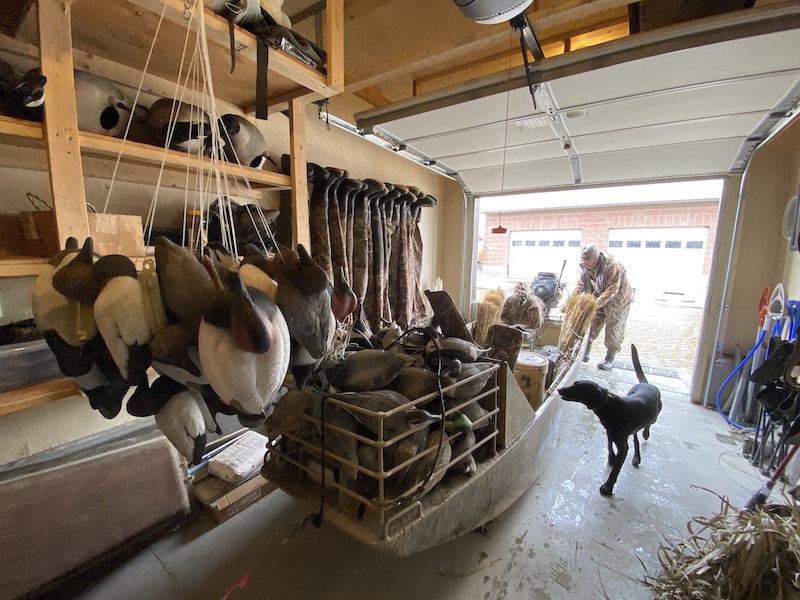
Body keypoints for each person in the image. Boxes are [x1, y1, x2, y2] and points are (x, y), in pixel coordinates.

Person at [574, 244, 633, 370]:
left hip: (618, 301)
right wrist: (574, 298)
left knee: (614, 329)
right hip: (599, 296)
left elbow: (612, 289)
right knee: (591, 324)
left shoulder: (612, 266)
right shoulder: (585, 266)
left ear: (595, 259)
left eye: (587, 261)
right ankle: (585, 354)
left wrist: (595, 304)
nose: (585, 264)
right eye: (583, 261)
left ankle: (609, 359)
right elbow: (581, 284)